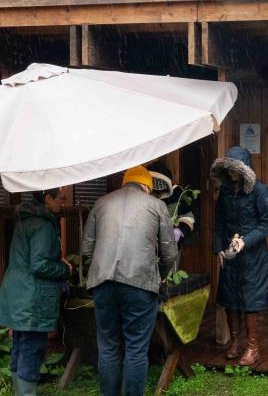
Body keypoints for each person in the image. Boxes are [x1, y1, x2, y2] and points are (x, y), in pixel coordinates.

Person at [80, 165, 178, 396]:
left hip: (102, 283)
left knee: (108, 347)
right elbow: (169, 253)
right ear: (147, 186)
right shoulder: (157, 205)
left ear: (126, 182)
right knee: (135, 348)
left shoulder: (101, 202)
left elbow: (86, 250)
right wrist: (161, 276)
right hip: (140, 284)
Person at [0, 188, 72, 396]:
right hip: (32, 296)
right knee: (33, 347)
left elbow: (31, 256)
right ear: (48, 199)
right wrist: (64, 269)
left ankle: (20, 393)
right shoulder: (43, 225)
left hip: (18, 292)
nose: (63, 203)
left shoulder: (25, 219)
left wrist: (56, 259)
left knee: (20, 344)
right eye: (60, 199)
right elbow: (39, 265)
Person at [211, 146, 268, 366]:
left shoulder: (260, 191)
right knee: (229, 297)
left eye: (235, 169)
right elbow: (218, 221)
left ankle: (252, 347)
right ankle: (236, 342)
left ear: (245, 169)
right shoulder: (226, 192)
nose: (231, 173)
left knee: (251, 300)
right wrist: (218, 248)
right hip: (229, 256)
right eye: (228, 169)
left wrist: (245, 241)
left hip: (252, 257)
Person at [146, 161, 196, 243]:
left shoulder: (177, 192)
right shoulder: (143, 194)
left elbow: (188, 217)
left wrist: (179, 231)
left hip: (171, 244)